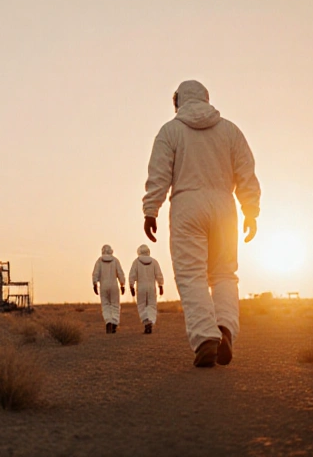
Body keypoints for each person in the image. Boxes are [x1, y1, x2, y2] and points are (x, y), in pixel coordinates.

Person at [142, 80, 260, 368]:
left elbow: (159, 173)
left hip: (187, 206)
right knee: (224, 274)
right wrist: (251, 211)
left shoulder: (170, 131)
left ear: (177, 102)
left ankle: (206, 338)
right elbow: (246, 172)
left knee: (191, 275)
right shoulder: (230, 131)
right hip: (224, 206)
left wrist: (150, 210)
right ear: (207, 100)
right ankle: (225, 328)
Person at [128, 244, 165, 333]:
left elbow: (132, 275)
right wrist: (160, 286)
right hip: (151, 288)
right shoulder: (154, 262)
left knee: (142, 305)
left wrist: (131, 286)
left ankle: (145, 321)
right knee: (152, 305)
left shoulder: (136, 262)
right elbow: (159, 275)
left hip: (141, 287)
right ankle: (150, 321)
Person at [91, 244, 126, 333]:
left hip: (103, 286)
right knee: (115, 305)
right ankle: (114, 322)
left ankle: (108, 321)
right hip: (114, 285)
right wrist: (122, 284)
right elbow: (120, 273)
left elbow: (95, 273)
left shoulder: (99, 261)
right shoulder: (115, 260)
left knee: (105, 305)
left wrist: (95, 284)